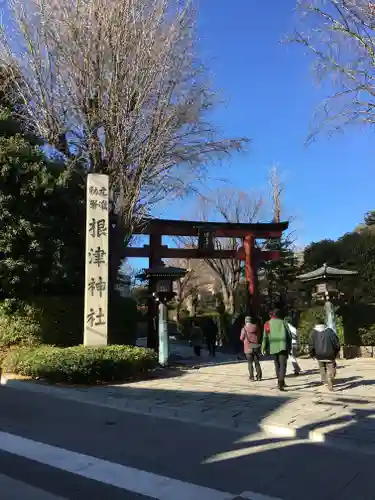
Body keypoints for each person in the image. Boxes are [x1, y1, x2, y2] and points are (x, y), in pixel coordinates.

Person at [309, 314, 340, 391]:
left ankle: (325, 380)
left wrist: (312, 354)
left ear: (316, 324)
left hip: (319, 355)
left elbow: (311, 345)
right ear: (324, 323)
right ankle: (330, 378)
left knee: (322, 367)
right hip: (330, 355)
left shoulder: (313, 333)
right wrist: (336, 352)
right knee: (332, 368)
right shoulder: (330, 331)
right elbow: (336, 344)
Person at [262, 309, 291, 391]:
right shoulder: (283, 322)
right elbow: (289, 335)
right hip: (283, 346)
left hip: (273, 347)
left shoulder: (267, 324)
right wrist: (289, 346)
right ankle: (281, 383)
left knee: (277, 364)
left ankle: (280, 381)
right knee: (283, 365)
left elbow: (265, 337)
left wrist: (263, 347)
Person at [240, 316, 262, 381]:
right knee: (257, 362)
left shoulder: (244, 328)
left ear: (245, 321)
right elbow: (259, 335)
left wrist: (245, 340)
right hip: (255, 345)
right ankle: (259, 376)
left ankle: (251, 377)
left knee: (250, 363)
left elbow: (241, 338)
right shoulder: (256, 327)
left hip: (247, 346)